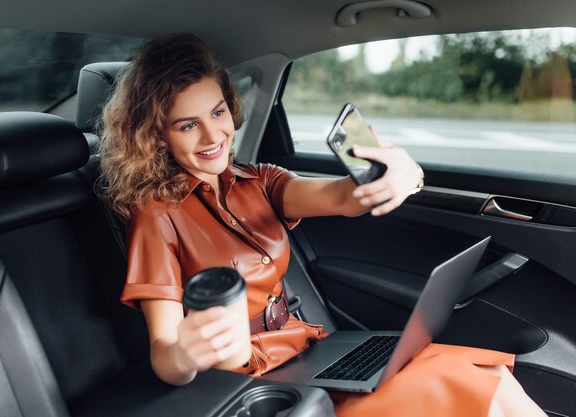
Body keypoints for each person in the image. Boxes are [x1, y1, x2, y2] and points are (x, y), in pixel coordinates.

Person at [99, 33, 547, 417]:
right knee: (470, 390)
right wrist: (187, 352)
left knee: (484, 373)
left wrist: (386, 176)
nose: (214, 136)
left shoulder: (258, 180)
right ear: (156, 134)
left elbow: (338, 196)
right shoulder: (155, 214)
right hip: (255, 385)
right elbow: (165, 354)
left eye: (218, 113)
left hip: (310, 352)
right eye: (187, 125)